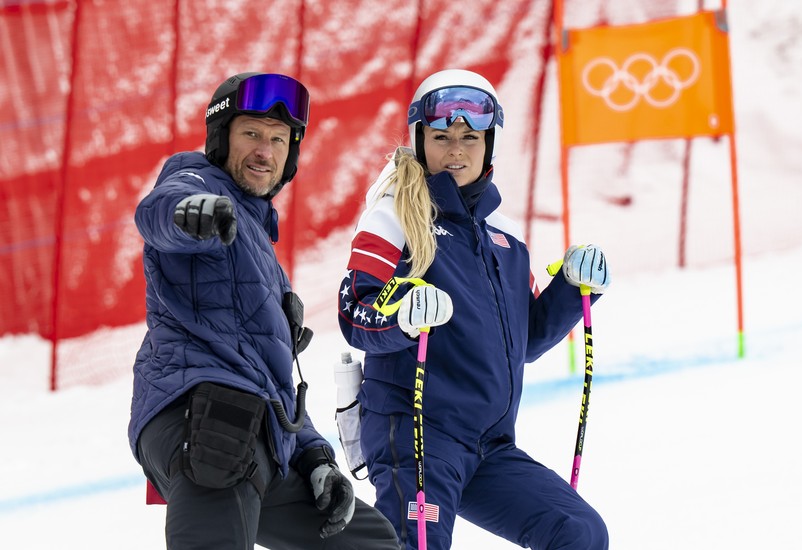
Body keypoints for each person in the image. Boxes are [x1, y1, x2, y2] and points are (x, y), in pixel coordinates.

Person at [337, 69, 611, 549]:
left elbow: (523, 342)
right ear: (420, 141)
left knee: (579, 532)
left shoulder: (505, 238)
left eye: (470, 138)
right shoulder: (394, 216)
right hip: (417, 436)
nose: (456, 150)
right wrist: (401, 310)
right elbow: (356, 312)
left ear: (489, 146)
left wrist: (571, 288)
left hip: (490, 445)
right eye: (441, 137)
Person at [129, 72, 399, 549]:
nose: (265, 151)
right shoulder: (196, 179)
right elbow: (160, 211)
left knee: (370, 541)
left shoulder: (262, 252)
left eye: (278, 140)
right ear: (221, 137)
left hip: (259, 434)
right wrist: (191, 213)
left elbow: (271, 377)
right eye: (251, 133)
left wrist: (316, 457)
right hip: (206, 414)